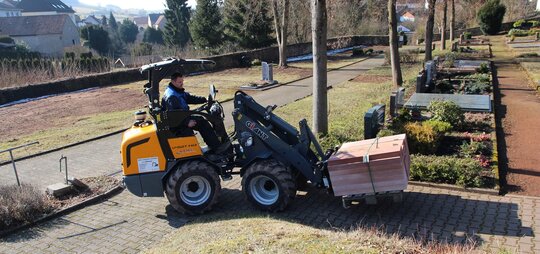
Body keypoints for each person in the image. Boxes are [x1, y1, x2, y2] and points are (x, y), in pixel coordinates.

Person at [162, 71, 223, 153]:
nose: (182, 83)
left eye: (182, 81)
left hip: (182, 118)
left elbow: (189, 98)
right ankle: (216, 148)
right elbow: (174, 115)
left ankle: (213, 145)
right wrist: (187, 122)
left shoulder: (177, 91)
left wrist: (205, 99)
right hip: (178, 124)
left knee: (200, 119)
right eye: (179, 82)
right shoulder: (172, 96)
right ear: (173, 82)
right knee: (203, 123)